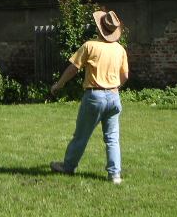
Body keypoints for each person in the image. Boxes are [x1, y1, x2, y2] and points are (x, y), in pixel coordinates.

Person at [49, 10, 129, 184]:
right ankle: (114, 175)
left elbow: (73, 68)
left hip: (95, 96)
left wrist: (59, 84)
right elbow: (125, 76)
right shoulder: (120, 49)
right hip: (114, 96)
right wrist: (115, 87)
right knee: (112, 138)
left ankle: (68, 167)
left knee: (81, 136)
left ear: (99, 28)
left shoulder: (90, 46)